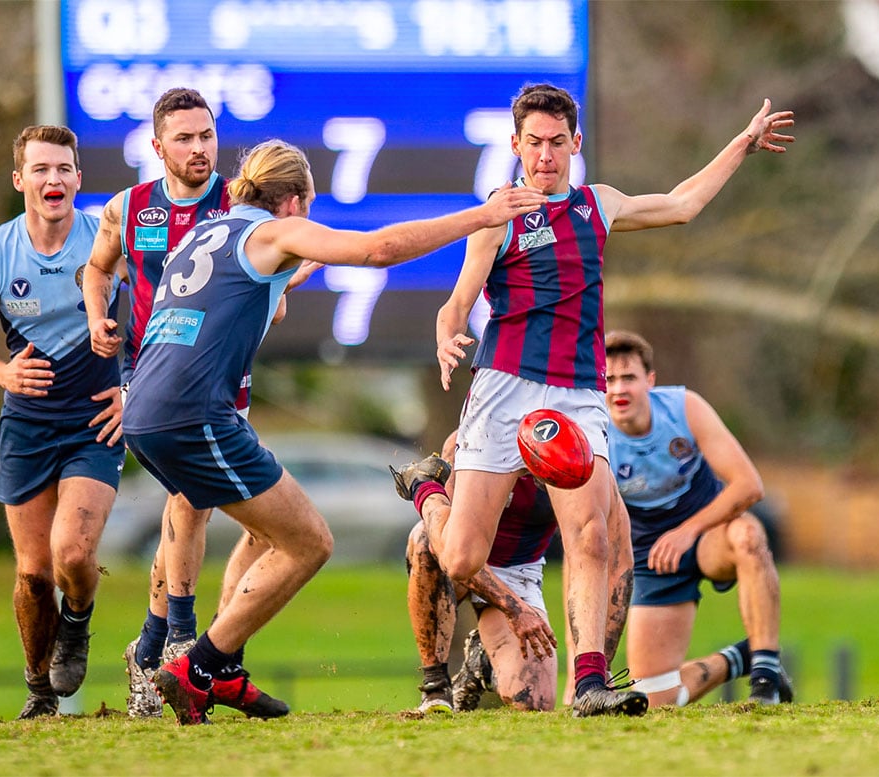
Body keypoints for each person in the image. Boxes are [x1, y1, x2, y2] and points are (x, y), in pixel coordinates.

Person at [391, 83, 793, 717]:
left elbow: (683, 204)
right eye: (534, 144)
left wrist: (740, 146)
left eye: (557, 144)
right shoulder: (496, 216)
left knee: (593, 535)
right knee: (463, 555)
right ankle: (428, 493)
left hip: (577, 394)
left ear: (576, 143)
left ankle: (590, 684)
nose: (546, 157)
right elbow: (457, 302)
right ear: (515, 145)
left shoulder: (598, 206)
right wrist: (448, 337)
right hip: (503, 387)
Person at [120, 139, 547, 725]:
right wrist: (485, 214)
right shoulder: (271, 232)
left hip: (144, 411)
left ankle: (222, 667)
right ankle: (197, 668)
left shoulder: (204, 233)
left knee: (267, 533)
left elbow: (239, 302)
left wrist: (284, 284)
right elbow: (379, 249)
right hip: (193, 414)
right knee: (311, 541)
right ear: (294, 200)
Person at [81, 87, 300, 720]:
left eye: (207, 135)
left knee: (230, 518)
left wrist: (273, 287)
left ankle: (157, 651)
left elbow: (279, 268)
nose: (200, 148)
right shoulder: (129, 209)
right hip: (160, 381)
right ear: (157, 148)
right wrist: (99, 315)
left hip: (226, 375)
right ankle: (185, 643)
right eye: (185, 138)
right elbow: (98, 271)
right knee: (193, 501)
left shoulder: (240, 202)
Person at [0, 125, 125, 719]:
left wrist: (133, 390)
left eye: (64, 170)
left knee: (72, 554)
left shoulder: (107, 239)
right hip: (26, 423)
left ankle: (77, 624)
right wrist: (3, 375)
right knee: (31, 573)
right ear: (20, 180)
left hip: (94, 420)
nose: (54, 180)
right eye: (41, 170)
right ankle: (38, 690)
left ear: (78, 177)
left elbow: (164, 312)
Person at [604, 330, 791, 706]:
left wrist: (688, 531)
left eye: (629, 378)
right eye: (608, 379)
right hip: (651, 556)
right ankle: (740, 657)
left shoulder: (684, 407)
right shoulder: (595, 431)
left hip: (708, 534)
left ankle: (766, 675)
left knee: (749, 536)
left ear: (650, 381)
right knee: (655, 700)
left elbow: (749, 485)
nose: (619, 389)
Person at [403, 433, 559, 714]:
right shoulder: (469, 438)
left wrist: (595, 671)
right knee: (426, 540)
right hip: (458, 558)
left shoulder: (565, 439)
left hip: (518, 569)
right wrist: (514, 608)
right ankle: (435, 686)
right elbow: (451, 549)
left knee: (534, 701)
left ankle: (482, 664)